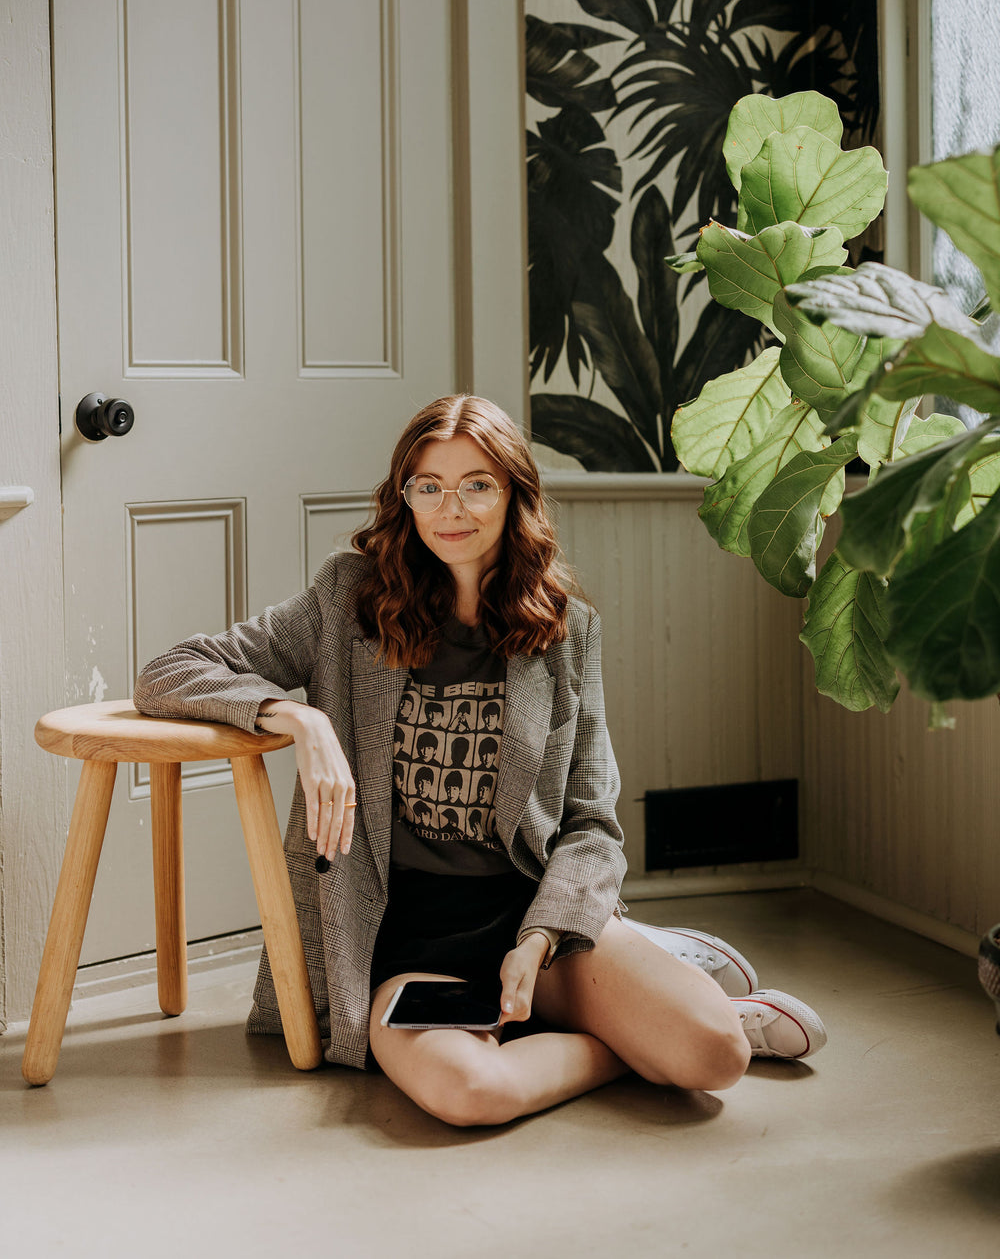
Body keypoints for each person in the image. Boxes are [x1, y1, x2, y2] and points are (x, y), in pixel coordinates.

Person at [134, 394, 826, 1127]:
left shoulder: (567, 633)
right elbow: (169, 670)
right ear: (403, 498)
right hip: (403, 940)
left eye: (477, 484)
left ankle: (669, 999)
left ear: (513, 495)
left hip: (533, 922)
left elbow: (591, 821)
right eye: (427, 486)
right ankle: (632, 1032)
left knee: (717, 1057)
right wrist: (299, 718)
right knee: (472, 1094)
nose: (449, 509)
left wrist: (538, 940)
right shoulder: (348, 602)